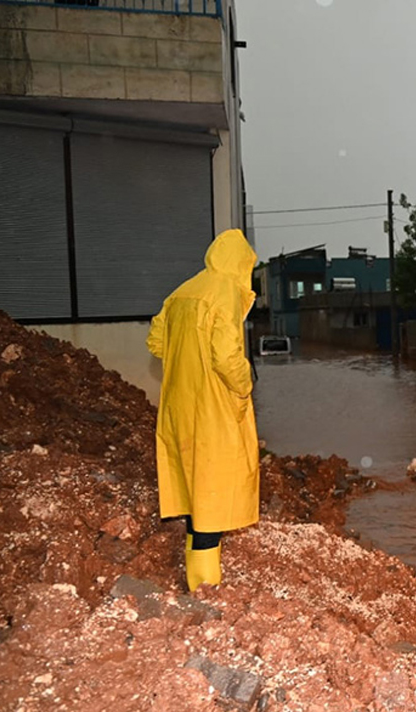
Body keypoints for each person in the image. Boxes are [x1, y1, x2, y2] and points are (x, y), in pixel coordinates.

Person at [146, 229, 259, 592]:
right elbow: (226, 356)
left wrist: (187, 358)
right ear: (241, 264)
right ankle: (205, 588)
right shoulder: (225, 292)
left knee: (195, 486)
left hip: (179, 403)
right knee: (214, 486)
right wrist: (245, 385)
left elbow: (156, 342)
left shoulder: (182, 292)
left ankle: (196, 574)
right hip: (212, 406)